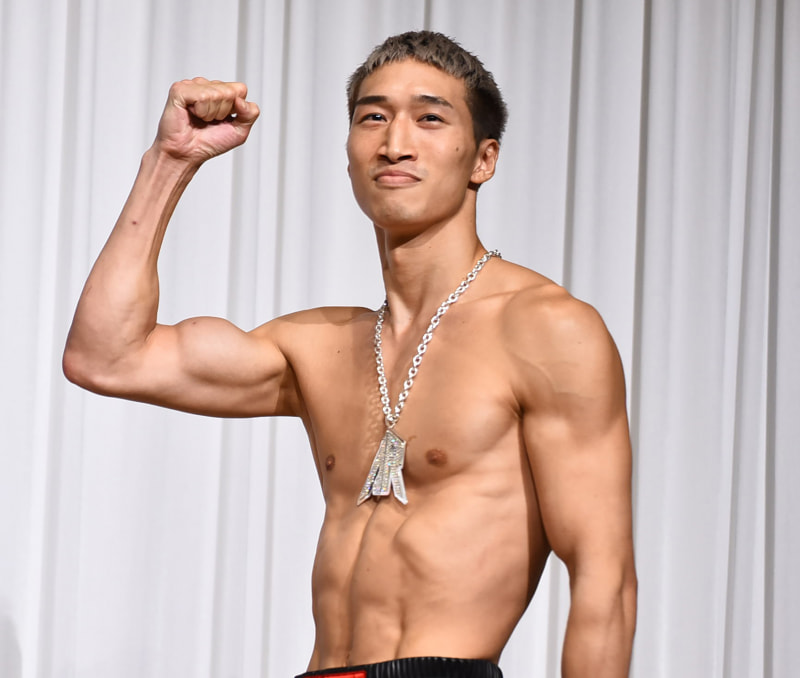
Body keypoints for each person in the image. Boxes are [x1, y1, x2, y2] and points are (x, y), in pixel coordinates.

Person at [64, 30, 636, 678]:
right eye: (373, 117)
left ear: (483, 158)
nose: (395, 143)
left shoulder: (545, 330)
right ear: (348, 154)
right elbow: (105, 356)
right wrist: (169, 161)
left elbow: (605, 580)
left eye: (429, 118)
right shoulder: (320, 347)